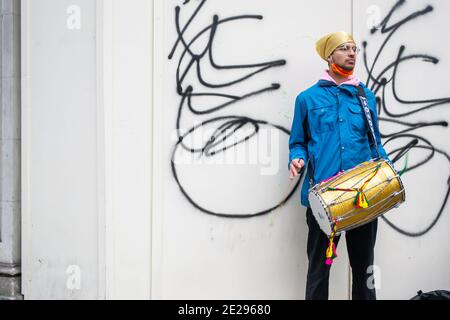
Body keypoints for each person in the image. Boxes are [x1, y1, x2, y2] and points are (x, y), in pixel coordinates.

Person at [288, 31, 391, 300]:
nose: (352, 53)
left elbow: (375, 142)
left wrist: (388, 170)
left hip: (362, 196)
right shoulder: (307, 99)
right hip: (324, 199)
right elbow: (297, 142)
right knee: (319, 271)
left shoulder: (364, 96)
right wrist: (296, 158)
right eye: (344, 48)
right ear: (330, 55)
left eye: (354, 48)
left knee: (364, 270)